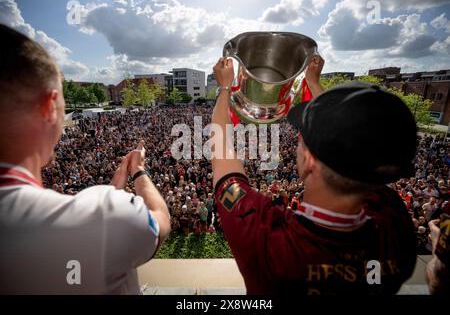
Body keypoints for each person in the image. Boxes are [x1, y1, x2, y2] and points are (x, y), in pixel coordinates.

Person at [211, 55, 418, 295]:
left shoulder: (263, 235)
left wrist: (225, 87)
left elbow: (220, 146)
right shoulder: (395, 228)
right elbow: (368, 156)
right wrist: (313, 82)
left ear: (308, 160)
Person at [0, 25, 170, 294]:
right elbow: (160, 223)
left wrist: (113, 192)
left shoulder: (101, 213)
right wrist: (137, 172)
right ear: (49, 107)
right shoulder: (102, 211)